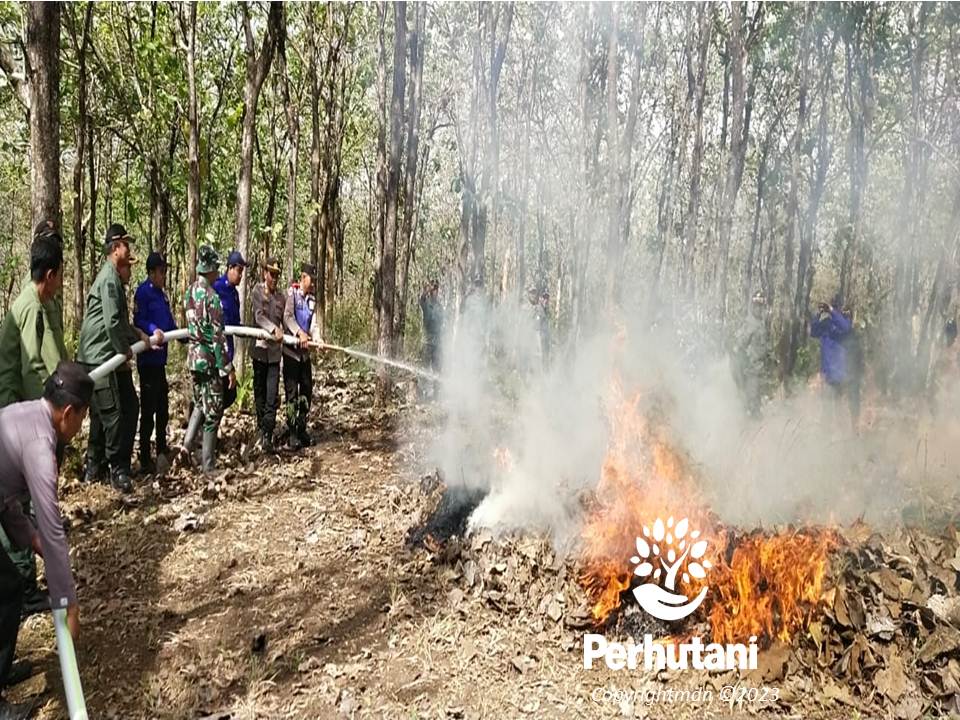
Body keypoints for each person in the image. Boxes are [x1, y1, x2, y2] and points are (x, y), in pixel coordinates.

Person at [0, 361, 90, 720]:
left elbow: (5, 498)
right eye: (82, 418)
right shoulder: (40, 446)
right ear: (68, 412)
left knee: (8, 588)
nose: (81, 427)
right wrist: (67, 599)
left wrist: (28, 536)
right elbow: (53, 528)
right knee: (5, 589)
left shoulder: (26, 414)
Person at [0, 233, 69, 622]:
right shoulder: (30, 307)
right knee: (18, 506)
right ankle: (23, 587)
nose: (60, 285)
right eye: (59, 277)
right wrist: (49, 422)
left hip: (17, 413)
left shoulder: (39, 303)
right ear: (49, 274)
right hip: (12, 415)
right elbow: (30, 370)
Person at [77, 224, 159, 492]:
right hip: (100, 356)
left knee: (119, 408)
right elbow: (112, 324)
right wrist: (123, 350)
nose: (129, 250)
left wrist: (137, 335)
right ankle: (115, 469)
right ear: (115, 249)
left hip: (106, 354)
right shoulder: (109, 279)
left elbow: (120, 322)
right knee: (112, 414)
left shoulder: (112, 279)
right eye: (126, 244)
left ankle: (96, 466)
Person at [183, 246, 235, 473]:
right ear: (211, 269)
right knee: (213, 411)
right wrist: (227, 367)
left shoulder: (190, 292)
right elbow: (217, 337)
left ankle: (185, 447)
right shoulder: (212, 298)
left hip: (193, 359)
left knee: (199, 405)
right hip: (208, 361)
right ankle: (208, 465)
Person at [133, 252, 177, 474]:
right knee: (148, 409)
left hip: (160, 362)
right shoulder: (143, 293)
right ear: (151, 273)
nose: (163, 275)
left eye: (165, 271)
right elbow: (138, 320)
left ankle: (161, 449)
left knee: (163, 407)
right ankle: (144, 458)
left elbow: (169, 321)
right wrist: (152, 331)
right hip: (148, 362)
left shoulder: (163, 295)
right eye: (161, 271)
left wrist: (180, 333)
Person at [282, 264, 321, 450]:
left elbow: (313, 323)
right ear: (303, 277)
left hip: (305, 356)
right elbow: (287, 317)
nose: (312, 283)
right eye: (311, 279)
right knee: (292, 394)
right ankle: (291, 434)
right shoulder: (292, 294)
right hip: (291, 353)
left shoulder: (312, 299)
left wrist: (317, 338)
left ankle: (301, 428)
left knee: (306, 391)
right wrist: (299, 333)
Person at [251, 257, 285, 453]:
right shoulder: (257, 291)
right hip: (260, 350)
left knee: (272, 394)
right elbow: (258, 316)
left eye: (277, 275)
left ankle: (268, 433)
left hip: (274, 354)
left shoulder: (281, 298)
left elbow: (286, 320)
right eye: (271, 274)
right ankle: (261, 428)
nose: (274, 278)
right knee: (260, 393)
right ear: (265, 273)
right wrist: (273, 329)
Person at [212, 251, 247, 411]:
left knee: (229, 394)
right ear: (230, 268)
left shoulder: (234, 294)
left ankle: (209, 432)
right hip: (215, 353)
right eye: (239, 270)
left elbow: (235, 323)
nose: (240, 275)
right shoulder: (216, 288)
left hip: (228, 352)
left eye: (242, 271)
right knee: (215, 397)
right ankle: (201, 431)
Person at [810, 296, 852, 397]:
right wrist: (818, 314)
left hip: (839, 373)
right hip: (827, 373)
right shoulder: (826, 324)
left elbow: (846, 328)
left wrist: (832, 311)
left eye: (836, 306)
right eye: (833, 306)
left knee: (837, 406)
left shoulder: (844, 323)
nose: (834, 308)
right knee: (826, 406)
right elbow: (813, 332)